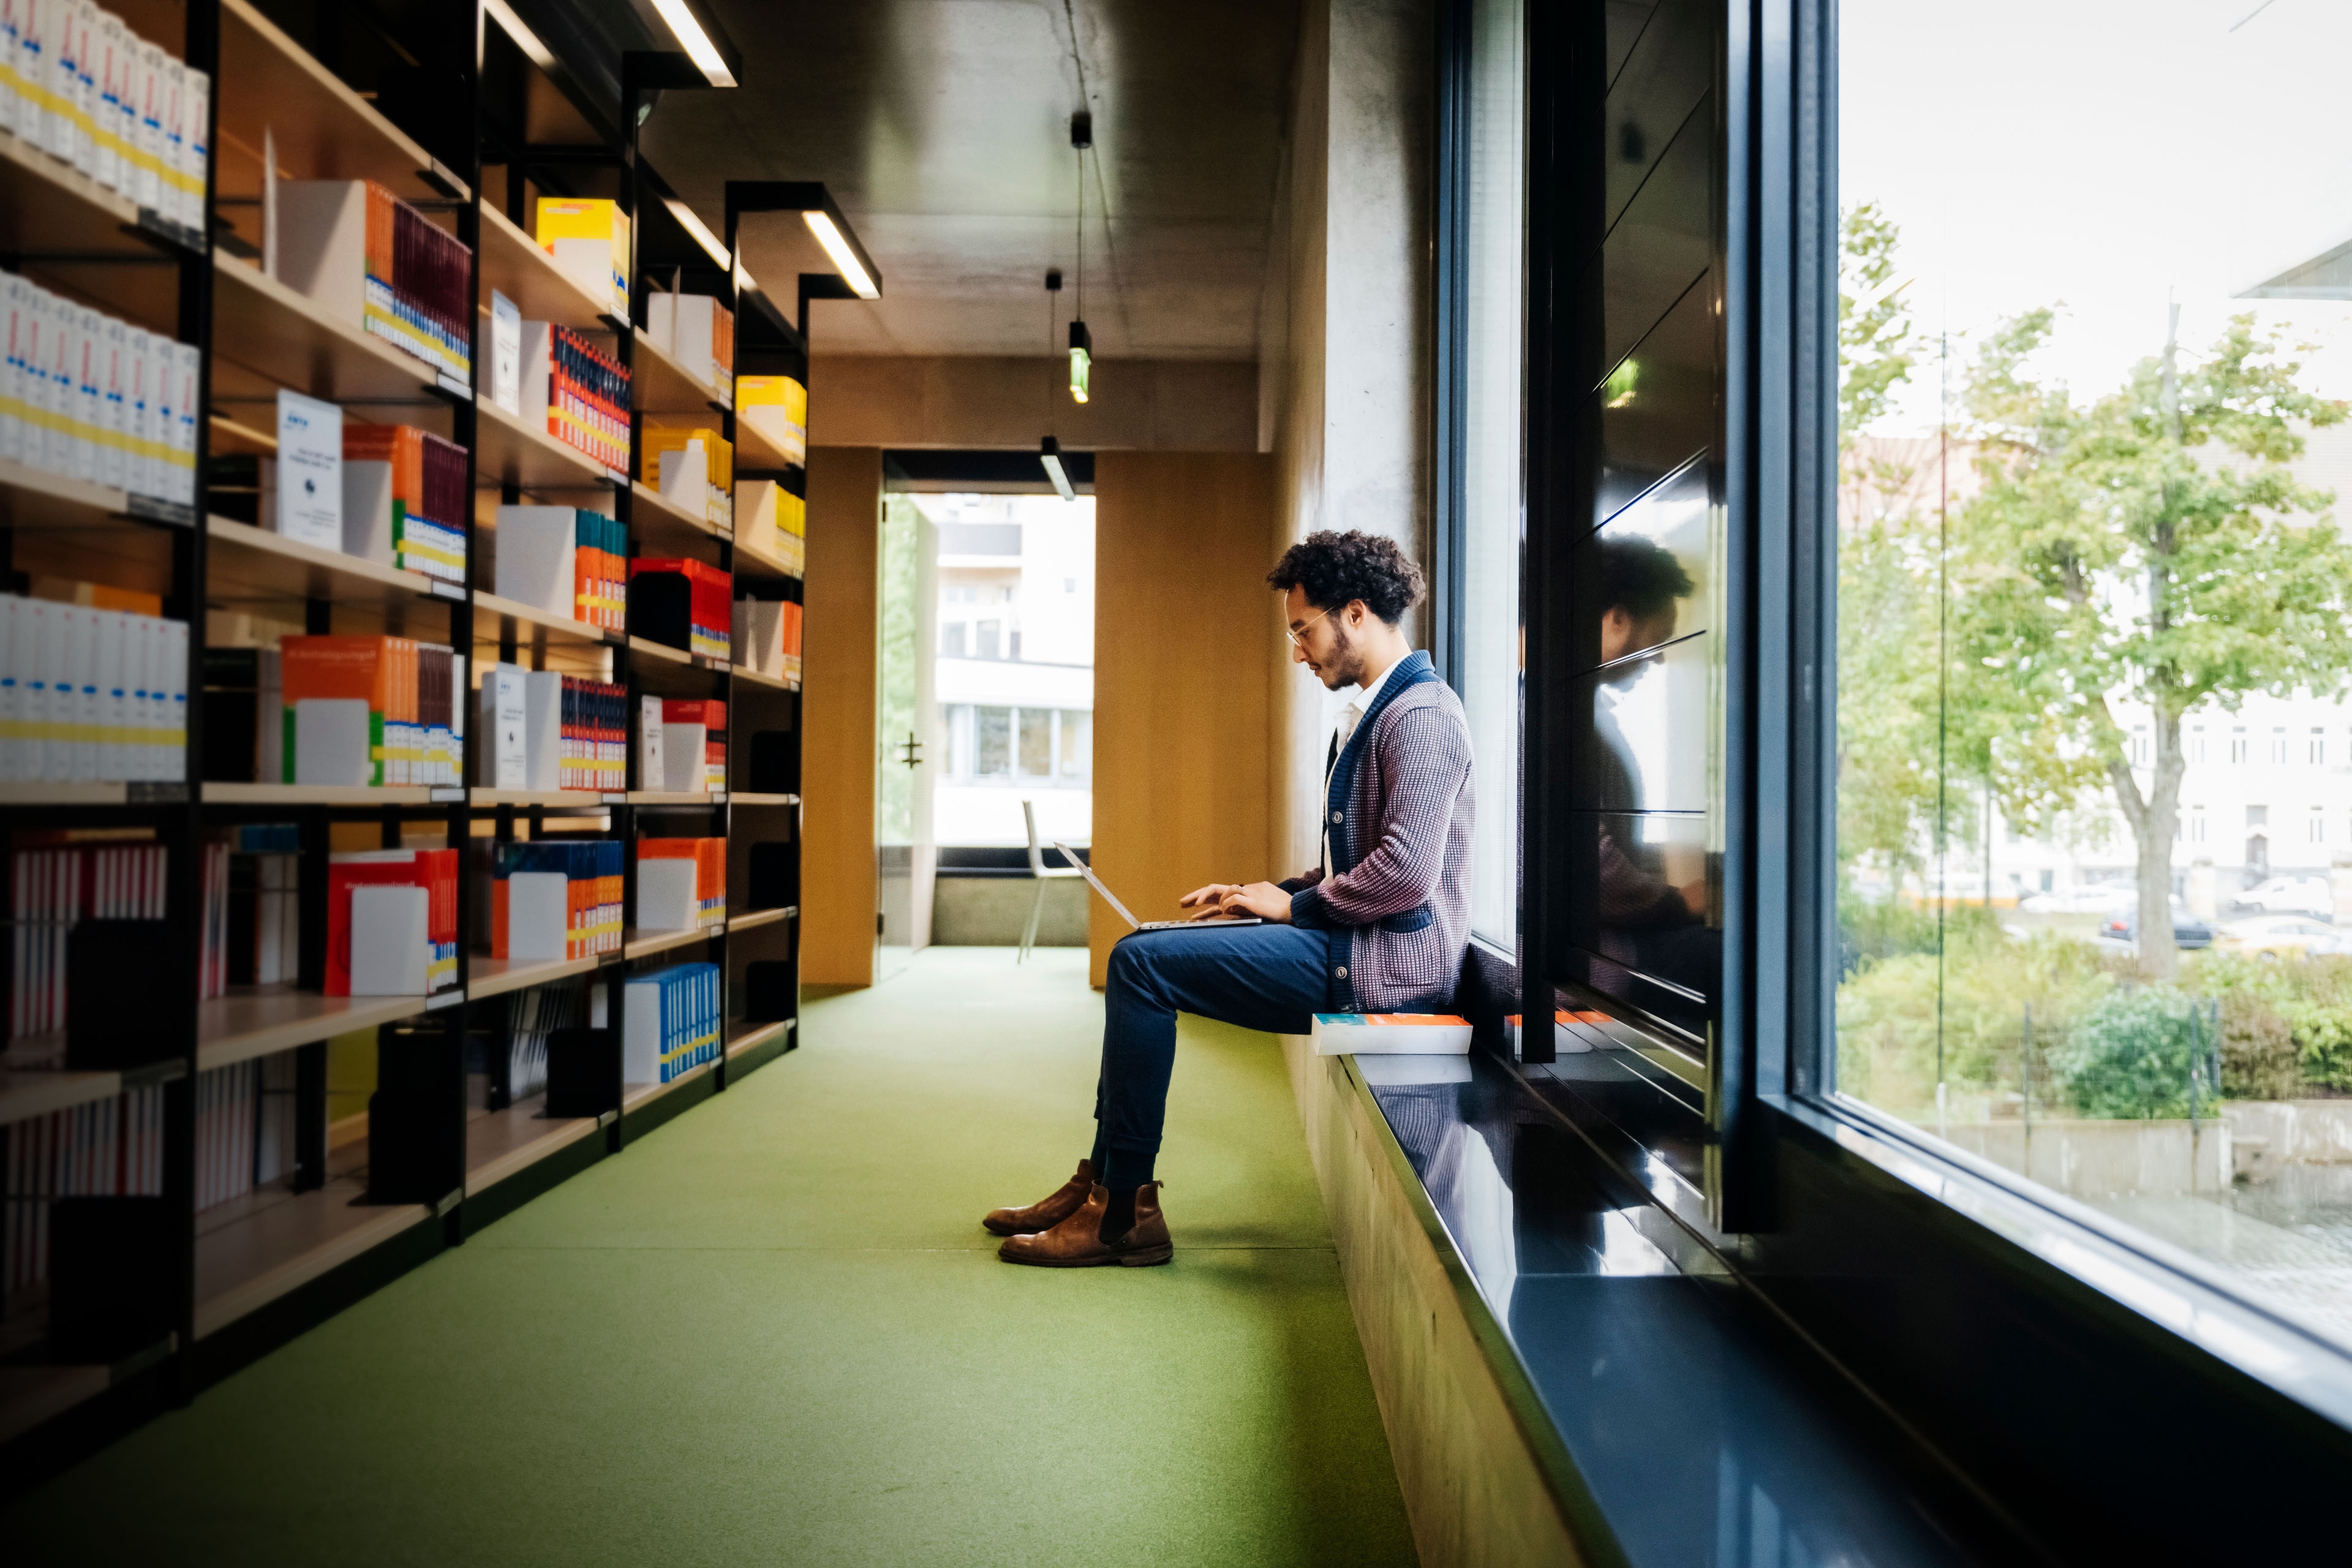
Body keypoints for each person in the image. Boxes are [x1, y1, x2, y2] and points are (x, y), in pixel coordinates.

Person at [986, 529, 1476, 1267]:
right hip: (1358, 944)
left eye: (1302, 631)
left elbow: (1406, 874)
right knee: (1140, 955)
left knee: (1140, 965)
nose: (1298, 651)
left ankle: (1120, 1211)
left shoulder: (1424, 716)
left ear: (1354, 613)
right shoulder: (1382, 713)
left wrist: (1296, 910)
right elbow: (1355, 865)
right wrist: (1270, 892)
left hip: (1389, 965)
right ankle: (1102, 1183)